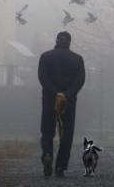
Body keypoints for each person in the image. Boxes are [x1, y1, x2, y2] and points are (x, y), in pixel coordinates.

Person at [38, 31, 86, 177]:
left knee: (47, 131)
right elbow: (80, 80)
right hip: (69, 102)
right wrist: (66, 94)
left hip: (49, 100)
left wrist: (55, 93)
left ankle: (47, 154)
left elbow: (42, 78)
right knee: (67, 134)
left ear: (56, 40)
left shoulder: (45, 57)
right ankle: (60, 167)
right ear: (69, 42)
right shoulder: (77, 59)